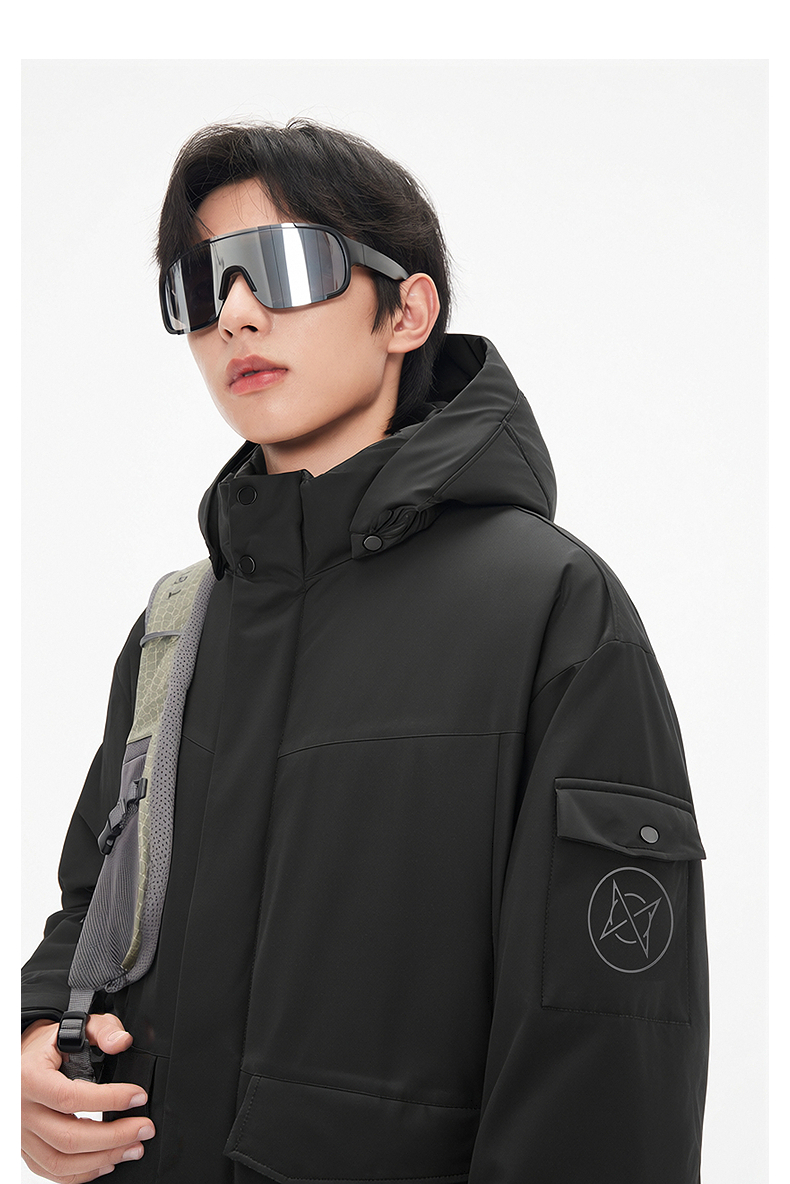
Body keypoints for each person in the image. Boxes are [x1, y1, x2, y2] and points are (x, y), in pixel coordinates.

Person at [21, 119, 709, 1183]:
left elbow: (602, 1052)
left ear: (407, 310)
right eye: (200, 286)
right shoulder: (178, 622)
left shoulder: (549, 609)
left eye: (283, 264)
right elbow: (97, 897)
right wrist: (42, 1031)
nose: (235, 313)